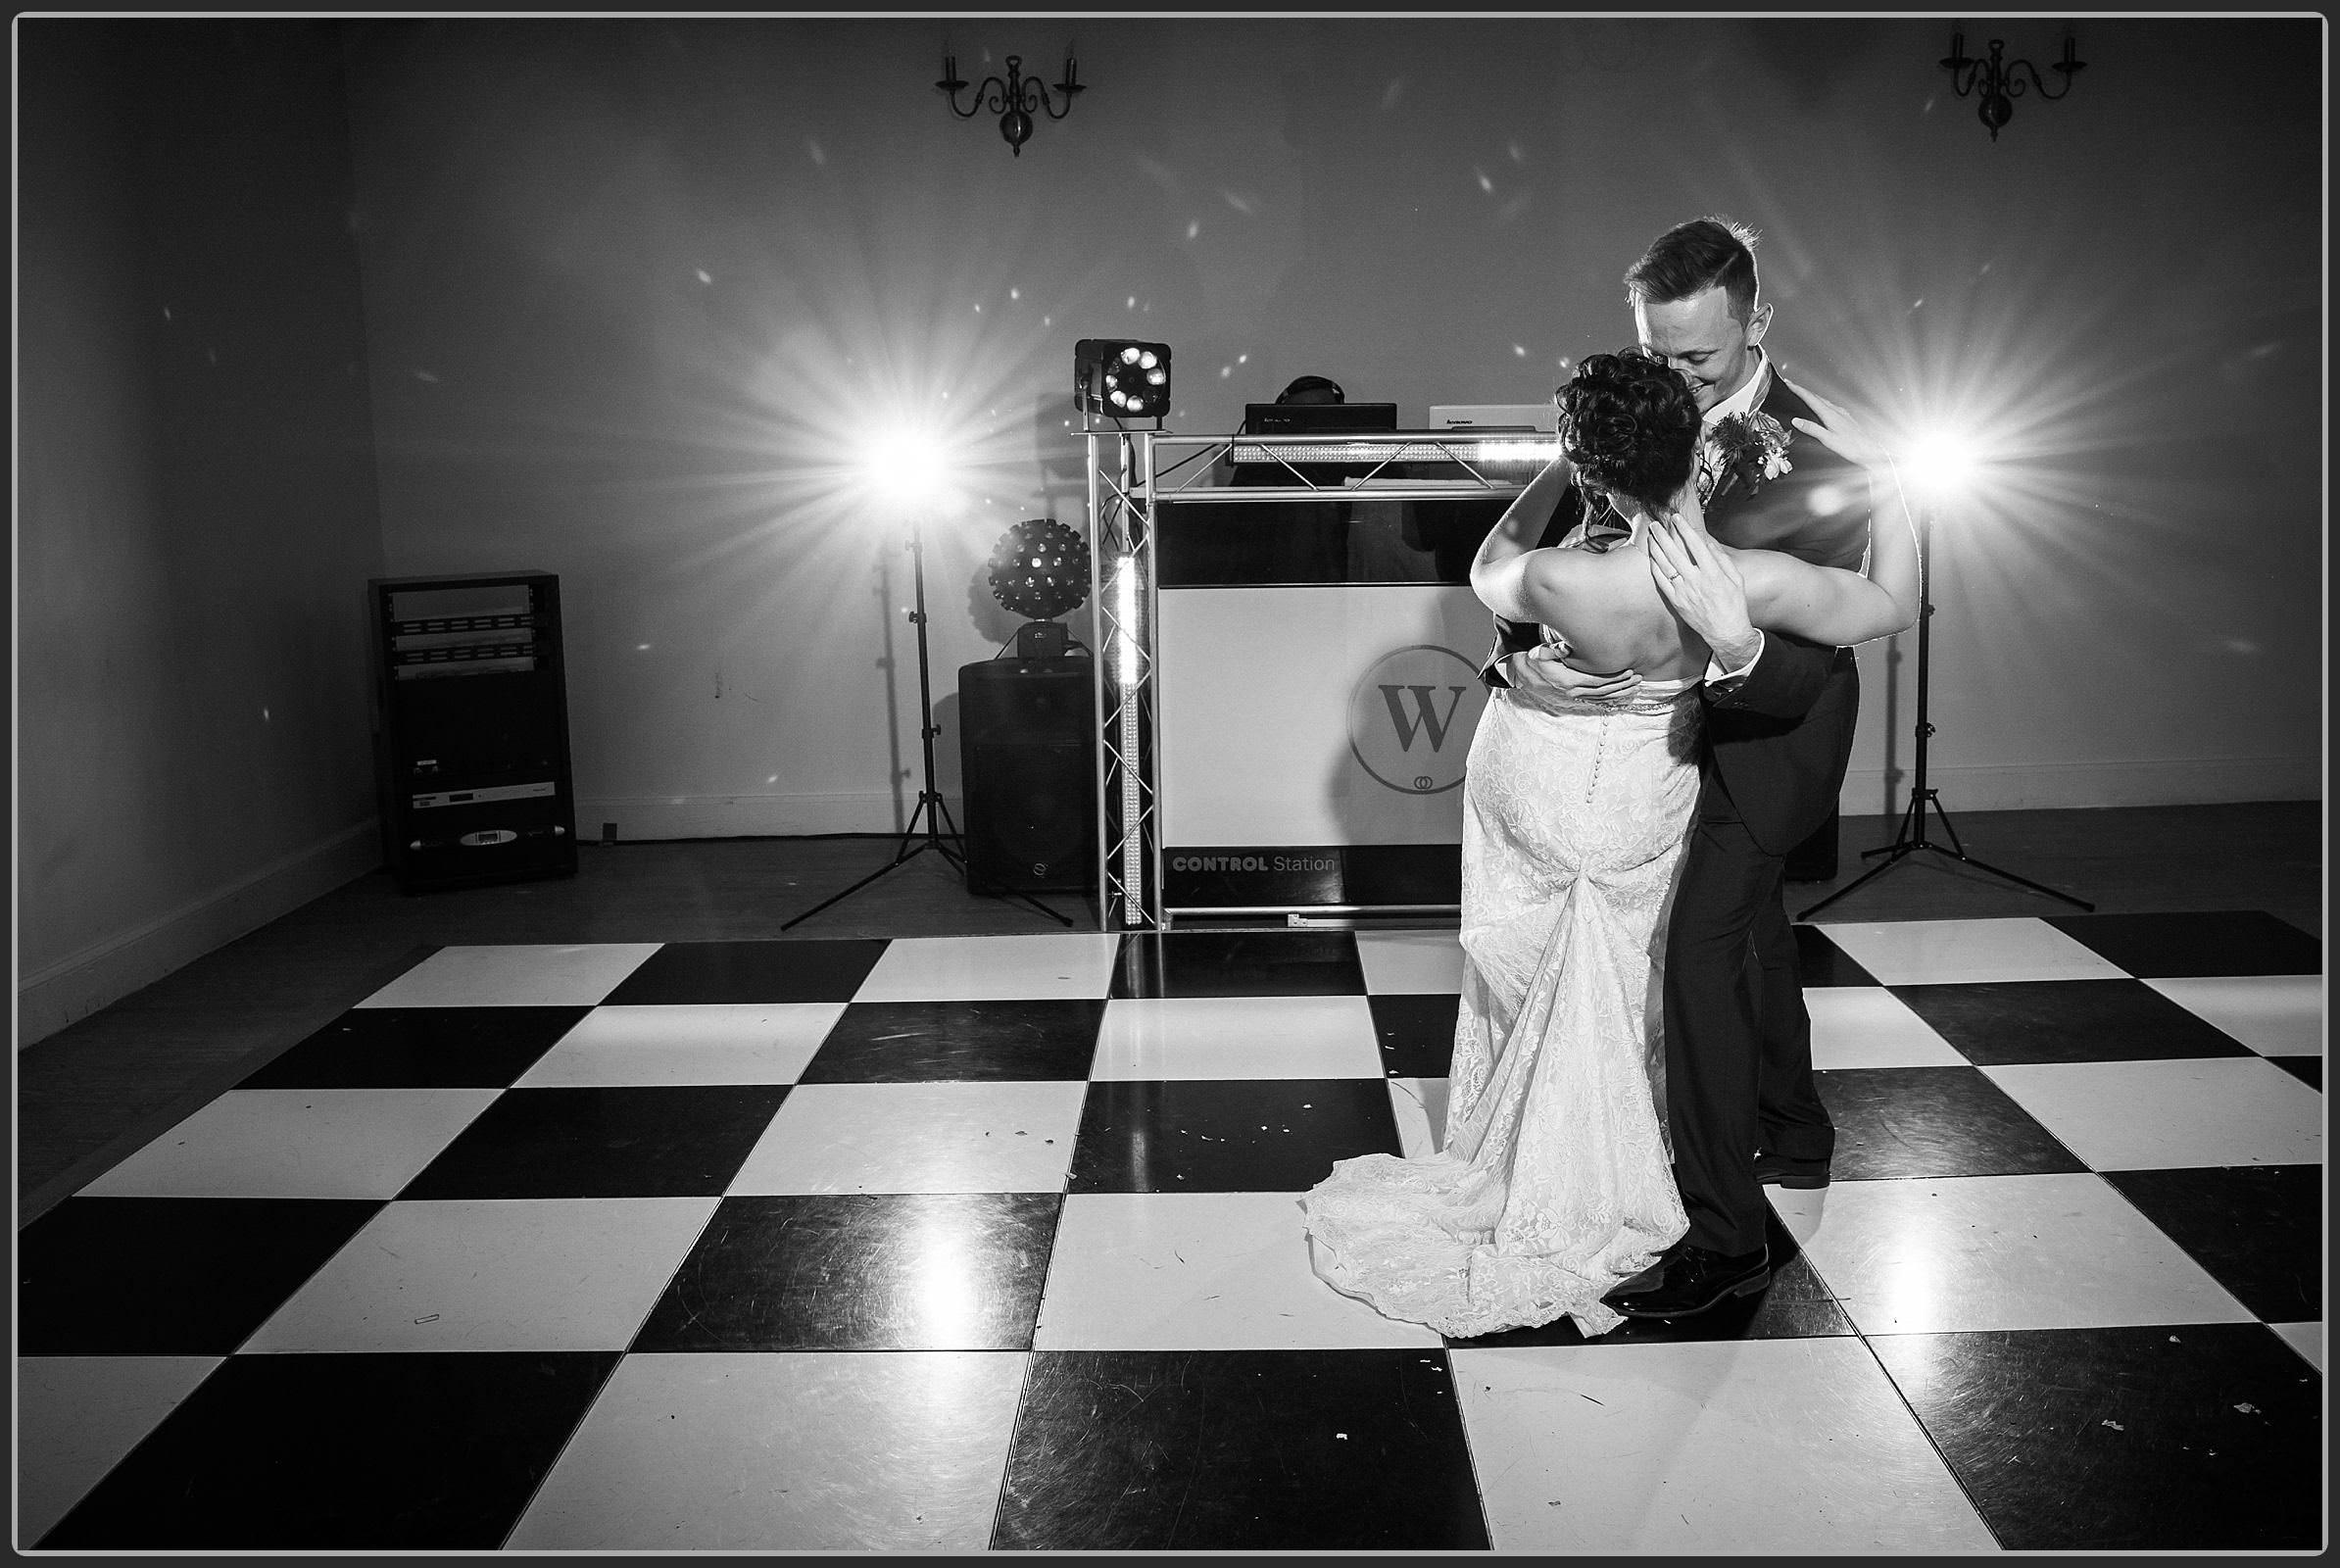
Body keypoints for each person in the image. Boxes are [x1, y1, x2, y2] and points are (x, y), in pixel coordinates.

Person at [1297, 350, 1917, 1337]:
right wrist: (1902, 499)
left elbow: (1482, 565)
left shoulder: (1553, 577)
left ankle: (1533, 1147)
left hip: (1534, 781)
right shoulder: (1745, 579)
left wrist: (1559, 469)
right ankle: (1626, 1152)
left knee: (1534, 964)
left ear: (1593, 472)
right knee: (1628, 975)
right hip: (1646, 785)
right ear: (1693, 456)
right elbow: (1886, 605)